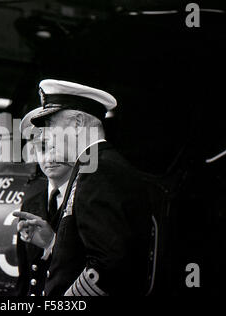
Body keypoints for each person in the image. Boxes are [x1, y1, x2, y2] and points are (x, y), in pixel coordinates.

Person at [14, 79, 154, 296]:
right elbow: (80, 254)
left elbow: (108, 265)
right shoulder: (93, 166)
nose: (47, 137)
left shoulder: (99, 170)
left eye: (51, 125)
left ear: (78, 123)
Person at [15, 108, 74, 296]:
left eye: (56, 147)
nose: (50, 157)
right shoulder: (30, 204)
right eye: (41, 148)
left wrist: (52, 243)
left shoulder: (86, 201)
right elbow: (25, 277)